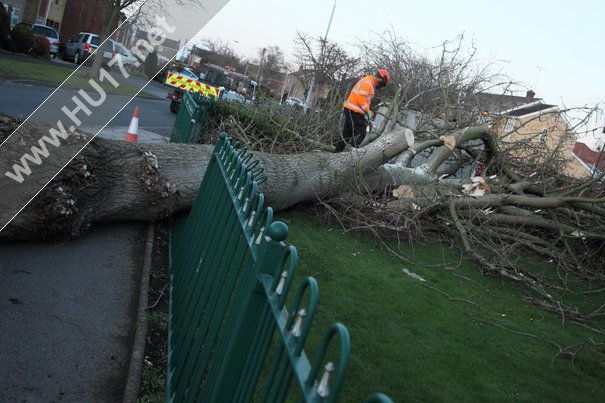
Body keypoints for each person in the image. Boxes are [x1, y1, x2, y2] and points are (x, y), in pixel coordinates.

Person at [334, 69, 391, 152]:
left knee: (347, 133)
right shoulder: (368, 84)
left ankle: (337, 152)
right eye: (382, 84)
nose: (380, 86)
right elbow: (361, 97)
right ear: (380, 80)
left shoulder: (368, 81)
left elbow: (363, 99)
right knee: (360, 133)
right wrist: (367, 111)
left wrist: (368, 111)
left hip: (351, 110)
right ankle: (352, 153)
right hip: (354, 111)